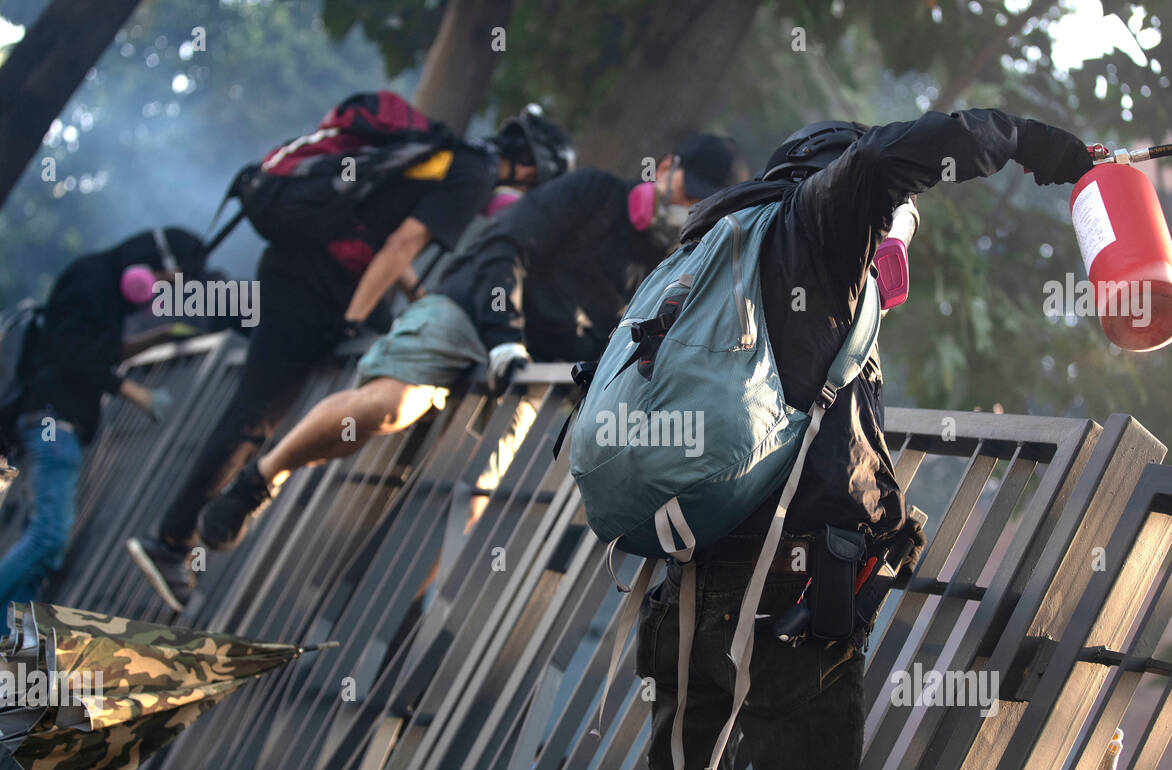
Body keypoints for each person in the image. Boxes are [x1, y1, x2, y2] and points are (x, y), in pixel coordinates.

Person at [621, 111, 1094, 770]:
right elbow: (885, 157)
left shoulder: (711, 241)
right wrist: (1035, 145)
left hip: (682, 592)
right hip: (787, 606)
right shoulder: (814, 220)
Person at [191, 134, 749, 558]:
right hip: (471, 310)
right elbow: (506, 245)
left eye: (702, 200)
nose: (686, 203)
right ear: (667, 167)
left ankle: (418, 622)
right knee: (389, 407)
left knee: (481, 486)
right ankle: (257, 480)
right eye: (686, 189)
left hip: (531, 366)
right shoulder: (592, 191)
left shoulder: (672, 264)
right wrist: (503, 334)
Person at [127, 107, 575, 612]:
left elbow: (391, 242)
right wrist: (354, 315)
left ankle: (196, 526)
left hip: (304, 269)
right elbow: (403, 244)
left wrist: (412, 298)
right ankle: (171, 539)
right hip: (315, 284)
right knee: (253, 418)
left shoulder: (450, 155)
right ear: (533, 172)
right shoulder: (475, 172)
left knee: (319, 382)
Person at [0, 228, 201, 631]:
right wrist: (136, 394)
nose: (162, 292)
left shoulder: (102, 291)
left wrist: (159, 337)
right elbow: (72, 353)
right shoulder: (91, 277)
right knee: (48, 539)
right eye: (167, 282)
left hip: (56, 423)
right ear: (150, 267)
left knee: (39, 545)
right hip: (53, 422)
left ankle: (9, 645)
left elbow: (97, 350)